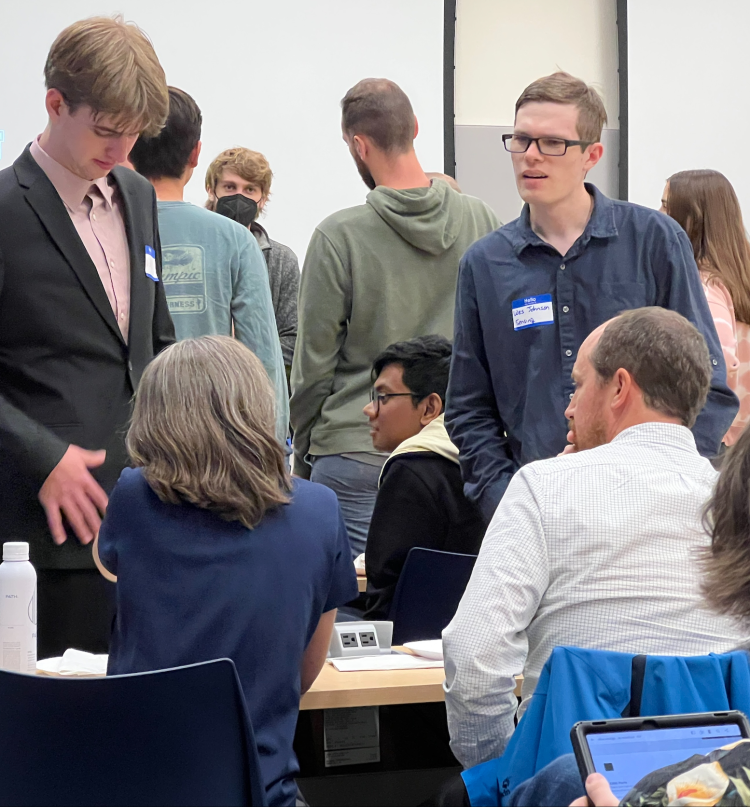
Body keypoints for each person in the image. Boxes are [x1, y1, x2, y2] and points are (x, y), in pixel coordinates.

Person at [442, 307, 746, 770]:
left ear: (620, 387)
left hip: (572, 783)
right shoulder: (734, 505)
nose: (568, 407)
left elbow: (474, 662)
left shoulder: (544, 487)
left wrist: (508, 775)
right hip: (716, 785)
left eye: (578, 385)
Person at [445, 71, 738, 524]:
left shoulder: (653, 240)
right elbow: (469, 409)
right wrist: (507, 501)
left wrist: (665, 483)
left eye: (552, 143)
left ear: (592, 155)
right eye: (521, 140)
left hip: (651, 511)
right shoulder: (485, 264)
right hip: (541, 512)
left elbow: (710, 385)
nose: (531, 156)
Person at [93, 336, 358, 807]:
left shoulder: (133, 498)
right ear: (258, 406)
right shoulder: (320, 509)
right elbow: (306, 665)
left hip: (134, 786)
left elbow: (113, 570)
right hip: (259, 790)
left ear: (154, 419)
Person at [0, 16, 173, 658]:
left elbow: (154, 342)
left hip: (150, 522)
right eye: (106, 130)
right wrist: (42, 454)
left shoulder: (134, 192)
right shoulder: (6, 209)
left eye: (133, 133)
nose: (123, 149)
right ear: (55, 103)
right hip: (43, 536)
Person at [291, 77, 497, 555]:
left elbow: (312, 369)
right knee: (437, 607)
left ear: (359, 145)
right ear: (417, 129)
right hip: (456, 452)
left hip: (355, 448)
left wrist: (307, 451)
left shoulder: (336, 236)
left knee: (355, 616)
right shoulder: (483, 222)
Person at [129, 88, 288, 444]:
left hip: (126, 441)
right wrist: (275, 450)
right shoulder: (236, 240)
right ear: (196, 154)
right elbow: (264, 361)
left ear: (130, 144)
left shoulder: (105, 229)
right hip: (211, 444)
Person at [361, 335, 485, 618]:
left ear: (430, 408)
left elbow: (384, 599)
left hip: (408, 649)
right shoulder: (497, 460)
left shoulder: (411, 470)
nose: (370, 410)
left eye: (383, 397)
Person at [661, 170, 750, 446]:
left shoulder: (705, 287)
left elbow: (715, 365)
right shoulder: (739, 275)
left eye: (665, 206)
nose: (658, 214)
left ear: (692, 218)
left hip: (719, 444)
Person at [205, 147, 300, 382]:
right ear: (211, 190)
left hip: (256, 391)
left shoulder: (280, 261)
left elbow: (294, 339)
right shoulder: (193, 250)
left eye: (250, 189)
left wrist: (238, 358)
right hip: (197, 384)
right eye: (230, 187)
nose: (240, 197)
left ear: (263, 198)